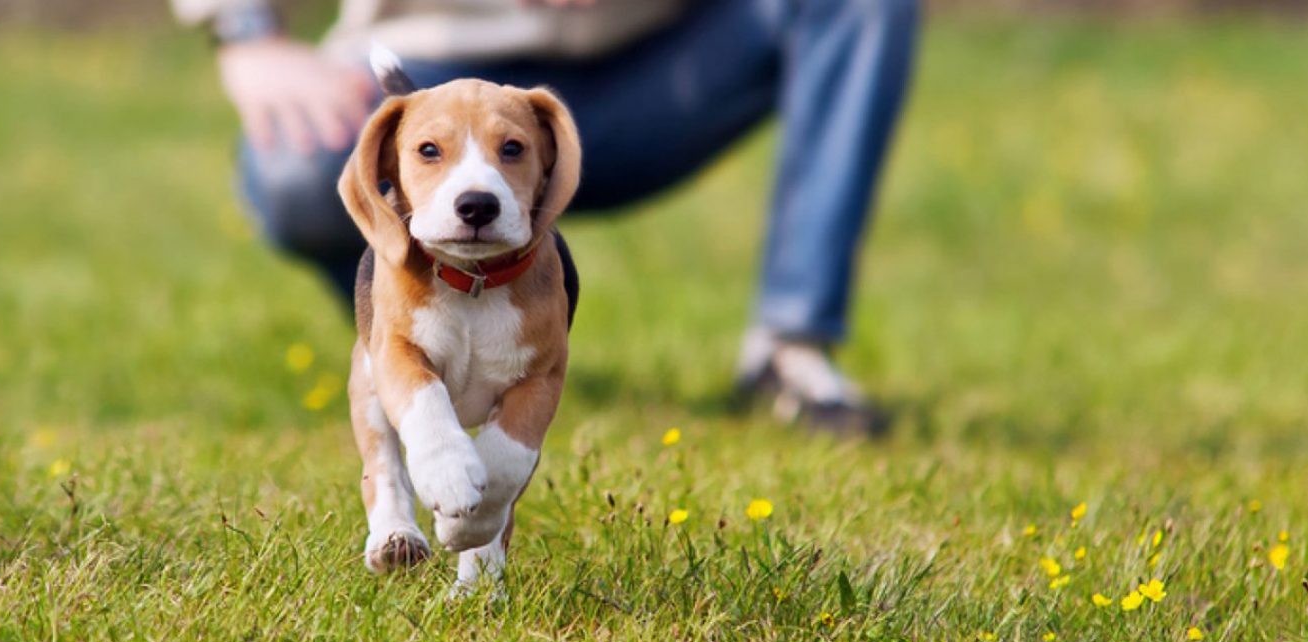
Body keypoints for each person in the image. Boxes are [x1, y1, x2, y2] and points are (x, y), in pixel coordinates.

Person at [173, 0, 917, 433]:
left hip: (652, 70)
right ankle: (418, 346)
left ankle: (791, 353)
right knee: (296, 173)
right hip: (425, 58)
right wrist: (246, 33)